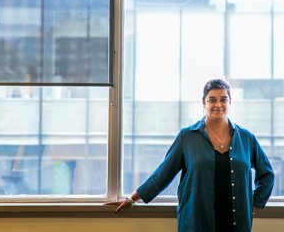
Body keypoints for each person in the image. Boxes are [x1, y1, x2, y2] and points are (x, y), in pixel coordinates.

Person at [107, 79, 274, 232]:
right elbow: (162, 174)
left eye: (223, 99)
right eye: (212, 99)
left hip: (237, 222)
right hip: (197, 221)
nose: (218, 104)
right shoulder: (187, 137)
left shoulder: (246, 138)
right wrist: (132, 199)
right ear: (203, 102)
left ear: (230, 102)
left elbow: (267, 174)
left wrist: (253, 202)